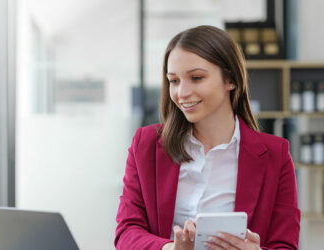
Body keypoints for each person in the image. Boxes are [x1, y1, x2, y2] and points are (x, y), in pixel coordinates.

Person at [114, 25, 300, 250]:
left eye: (196, 78)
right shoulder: (145, 144)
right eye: (174, 80)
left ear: (230, 80)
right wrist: (171, 249)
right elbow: (126, 231)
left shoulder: (275, 155)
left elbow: (286, 246)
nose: (182, 93)